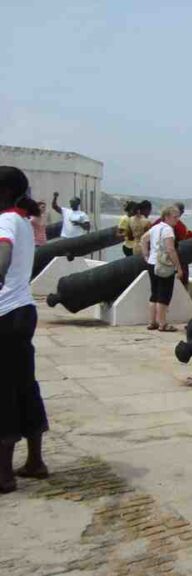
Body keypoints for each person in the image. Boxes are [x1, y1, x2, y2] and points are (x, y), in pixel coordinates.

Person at [0, 166, 50, 494]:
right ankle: (35, 460)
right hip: (24, 310)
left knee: (3, 391)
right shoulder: (24, 222)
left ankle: (4, 475)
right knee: (24, 384)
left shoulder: (5, 221)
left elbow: (2, 256)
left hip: (4, 312)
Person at [140, 205, 183, 332]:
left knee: (154, 293)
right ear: (167, 217)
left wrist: (146, 255)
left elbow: (143, 239)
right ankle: (162, 324)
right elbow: (170, 249)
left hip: (152, 263)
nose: (177, 220)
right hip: (164, 265)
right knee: (164, 295)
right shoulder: (168, 230)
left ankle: (152, 322)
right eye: (175, 217)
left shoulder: (155, 228)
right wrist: (178, 267)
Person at [151, 202, 192, 285]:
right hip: (168, 258)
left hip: (156, 257)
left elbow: (145, 238)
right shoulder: (176, 226)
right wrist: (179, 269)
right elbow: (173, 247)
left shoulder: (157, 223)